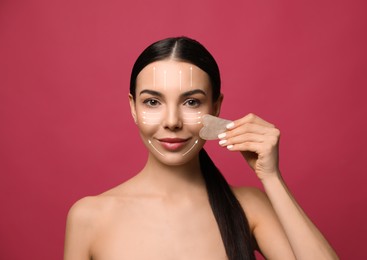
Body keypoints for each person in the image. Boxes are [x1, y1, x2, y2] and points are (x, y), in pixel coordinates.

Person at [64, 36, 338, 260]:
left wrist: (271, 177)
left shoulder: (249, 207)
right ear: (133, 107)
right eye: (152, 102)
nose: (172, 122)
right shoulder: (90, 216)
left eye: (191, 102)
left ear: (216, 108)